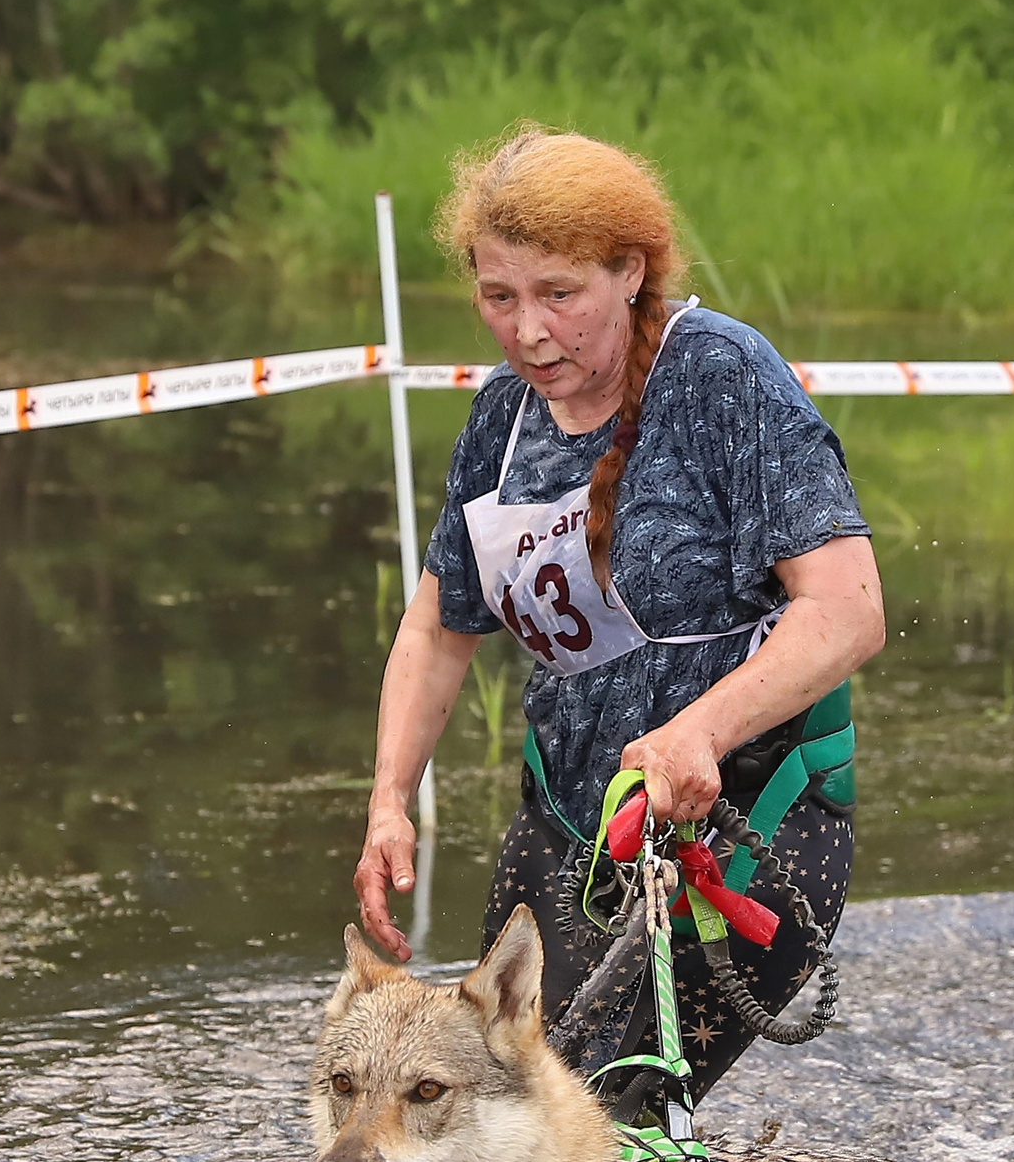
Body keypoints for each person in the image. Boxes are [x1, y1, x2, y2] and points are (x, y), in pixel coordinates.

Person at [353, 124, 884, 1103]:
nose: (528, 331)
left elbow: (848, 611)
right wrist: (391, 798)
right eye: (497, 297)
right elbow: (437, 626)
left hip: (748, 826)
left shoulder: (720, 377)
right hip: (569, 825)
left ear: (629, 271)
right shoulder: (499, 419)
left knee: (599, 1125)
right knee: (489, 1108)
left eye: (559, 295)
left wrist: (698, 733)